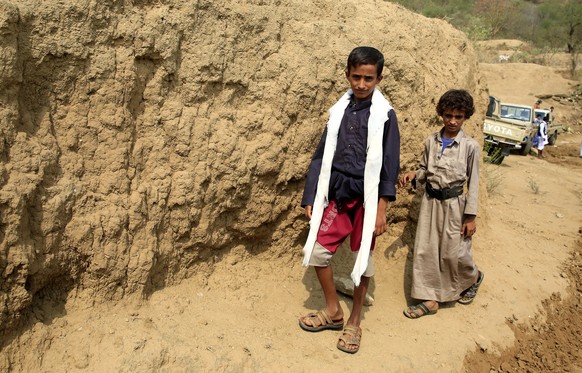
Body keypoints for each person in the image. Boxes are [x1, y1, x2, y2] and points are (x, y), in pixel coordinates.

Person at [298, 46, 400, 354]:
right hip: (339, 195)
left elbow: (389, 164)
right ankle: (333, 311)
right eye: (356, 77)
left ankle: (355, 321)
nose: (361, 84)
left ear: (379, 78)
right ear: (347, 75)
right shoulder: (338, 111)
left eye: (369, 78)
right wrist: (312, 194)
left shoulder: (385, 115)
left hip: (367, 200)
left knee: (363, 260)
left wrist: (382, 207)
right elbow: (320, 157)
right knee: (317, 252)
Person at [399, 89, 483, 319]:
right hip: (430, 203)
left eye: (458, 116)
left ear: (466, 117)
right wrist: (414, 174)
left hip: (455, 205)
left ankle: (473, 277)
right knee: (426, 250)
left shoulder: (470, 147)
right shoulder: (431, 141)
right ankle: (430, 299)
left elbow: (473, 183)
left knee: (454, 253)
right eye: (448, 115)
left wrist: (471, 216)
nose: (453, 121)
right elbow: (426, 170)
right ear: (441, 114)